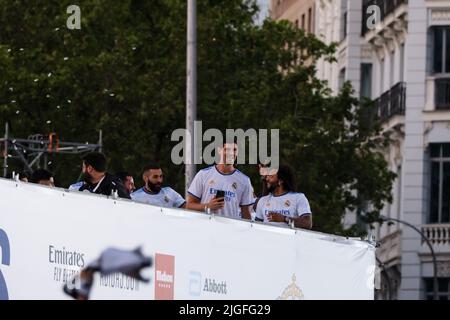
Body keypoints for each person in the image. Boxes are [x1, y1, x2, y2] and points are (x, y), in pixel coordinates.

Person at [186, 141, 254, 219]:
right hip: (205, 227)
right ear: (219, 150)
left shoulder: (244, 180)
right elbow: (189, 205)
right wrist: (207, 206)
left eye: (234, 150)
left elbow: (246, 213)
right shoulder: (203, 174)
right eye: (227, 149)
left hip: (231, 229)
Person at [254, 164, 312, 229]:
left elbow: (307, 223)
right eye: (266, 176)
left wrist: (285, 219)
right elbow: (256, 226)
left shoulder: (298, 198)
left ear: (280, 181)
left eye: (271, 176)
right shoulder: (263, 200)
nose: (267, 179)